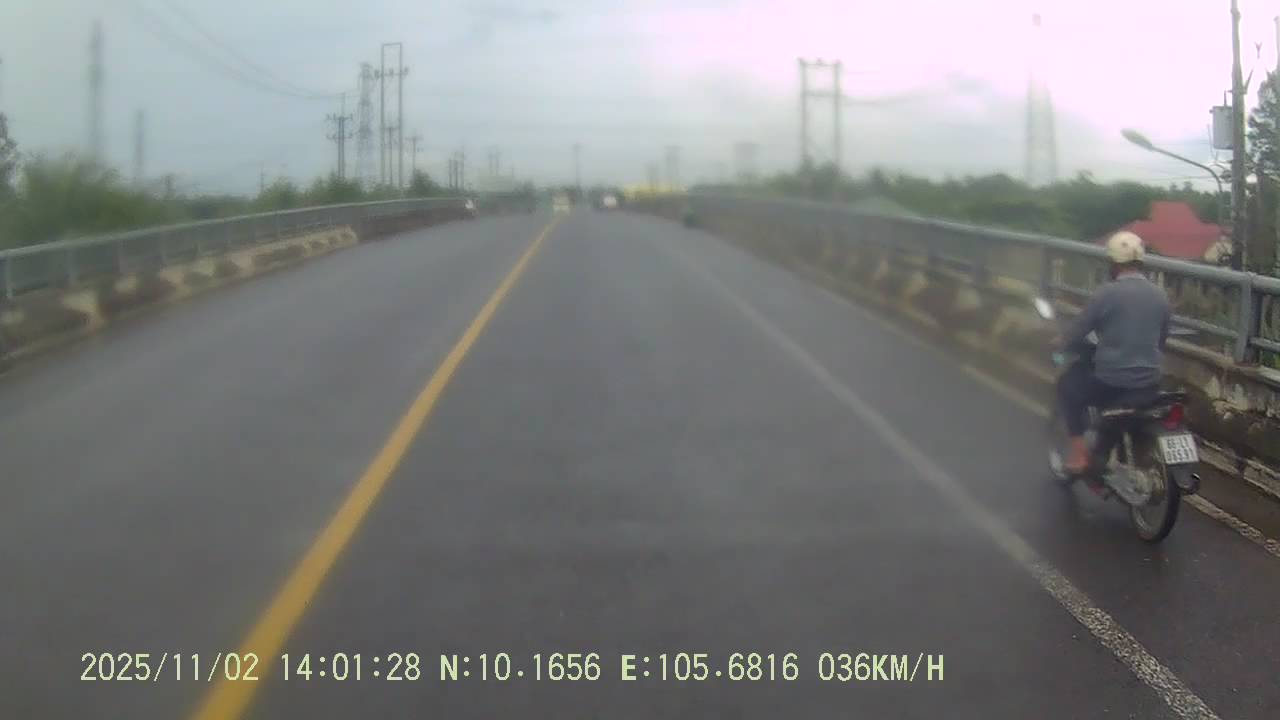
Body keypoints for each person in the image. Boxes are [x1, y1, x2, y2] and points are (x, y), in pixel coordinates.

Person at [1055, 230, 1172, 473]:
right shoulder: (1161, 296)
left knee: (1067, 386)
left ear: (1113, 263)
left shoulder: (1106, 294)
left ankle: (1080, 457)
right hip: (1149, 383)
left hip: (1112, 382)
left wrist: (1060, 342)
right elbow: (1162, 340)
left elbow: (1080, 328)